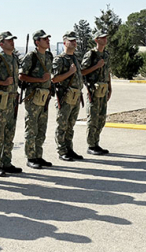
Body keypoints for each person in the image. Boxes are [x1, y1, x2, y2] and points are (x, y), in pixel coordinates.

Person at [0, 31, 23, 177]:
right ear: (1, 44)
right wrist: (2, 82)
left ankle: (7, 162)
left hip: (12, 100)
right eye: (9, 41)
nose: (12, 42)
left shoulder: (14, 58)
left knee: (9, 132)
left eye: (13, 40)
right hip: (0, 101)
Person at [19, 30, 54, 169]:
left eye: (48, 38)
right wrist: (39, 79)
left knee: (41, 127)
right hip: (33, 97)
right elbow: (21, 76)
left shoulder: (49, 56)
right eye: (44, 39)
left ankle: (38, 155)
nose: (47, 41)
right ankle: (31, 156)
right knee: (31, 128)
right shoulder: (31, 57)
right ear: (37, 42)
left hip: (44, 97)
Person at [52, 31, 84, 161]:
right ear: (64, 42)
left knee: (70, 124)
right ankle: (62, 150)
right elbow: (54, 79)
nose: (74, 43)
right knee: (62, 124)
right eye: (71, 40)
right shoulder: (60, 59)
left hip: (75, 96)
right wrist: (70, 72)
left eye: (75, 40)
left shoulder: (75, 58)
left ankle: (69, 148)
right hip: (65, 96)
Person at [81, 31, 112, 155]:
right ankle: (91, 144)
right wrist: (96, 66)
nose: (105, 40)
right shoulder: (91, 54)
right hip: (93, 90)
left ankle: (96, 143)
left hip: (103, 89)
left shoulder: (106, 54)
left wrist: (110, 87)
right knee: (92, 118)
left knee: (101, 118)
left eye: (105, 37)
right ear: (96, 40)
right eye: (102, 38)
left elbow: (107, 71)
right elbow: (82, 72)